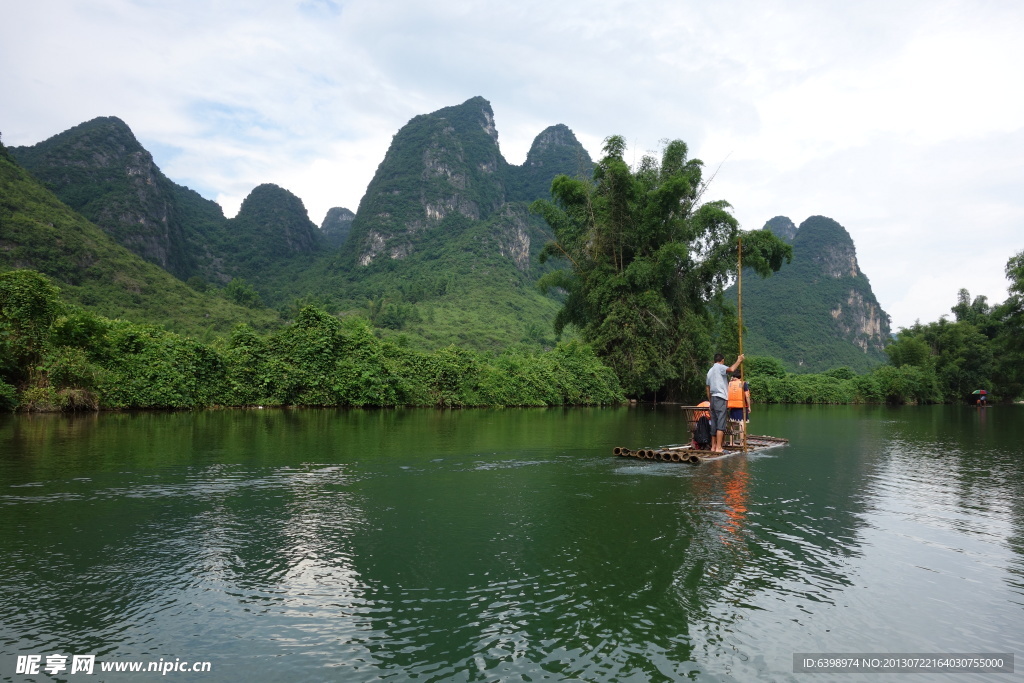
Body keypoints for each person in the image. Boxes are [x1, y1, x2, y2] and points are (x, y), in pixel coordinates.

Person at [705, 353, 744, 453]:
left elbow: (707, 388)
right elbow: (731, 369)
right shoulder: (720, 367)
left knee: (714, 422)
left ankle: (713, 447)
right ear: (722, 360)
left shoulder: (710, 371)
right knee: (721, 423)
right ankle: (719, 448)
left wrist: (710, 401)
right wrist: (739, 361)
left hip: (713, 399)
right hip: (720, 398)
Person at [727, 373, 751, 446]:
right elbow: (747, 396)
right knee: (742, 423)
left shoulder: (729, 384)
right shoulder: (744, 383)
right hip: (741, 406)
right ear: (740, 377)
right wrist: (749, 406)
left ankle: (731, 442)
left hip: (732, 406)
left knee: (732, 424)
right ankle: (741, 442)